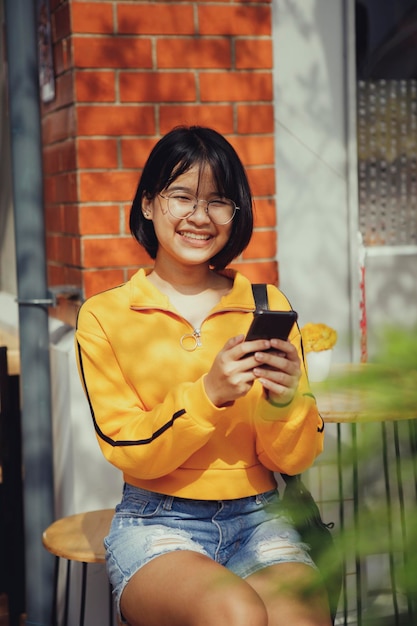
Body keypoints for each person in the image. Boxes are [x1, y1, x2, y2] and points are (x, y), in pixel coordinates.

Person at [75, 126, 330, 626]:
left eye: (218, 201)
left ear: (236, 214)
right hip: (157, 523)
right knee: (233, 613)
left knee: (302, 617)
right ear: (148, 204)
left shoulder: (266, 305)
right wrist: (208, 394)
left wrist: (285, 402)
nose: (199, 216)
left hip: (261, 520)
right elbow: (127, 448)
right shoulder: (106, 315)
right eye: (182, 196)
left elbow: (295, 457)